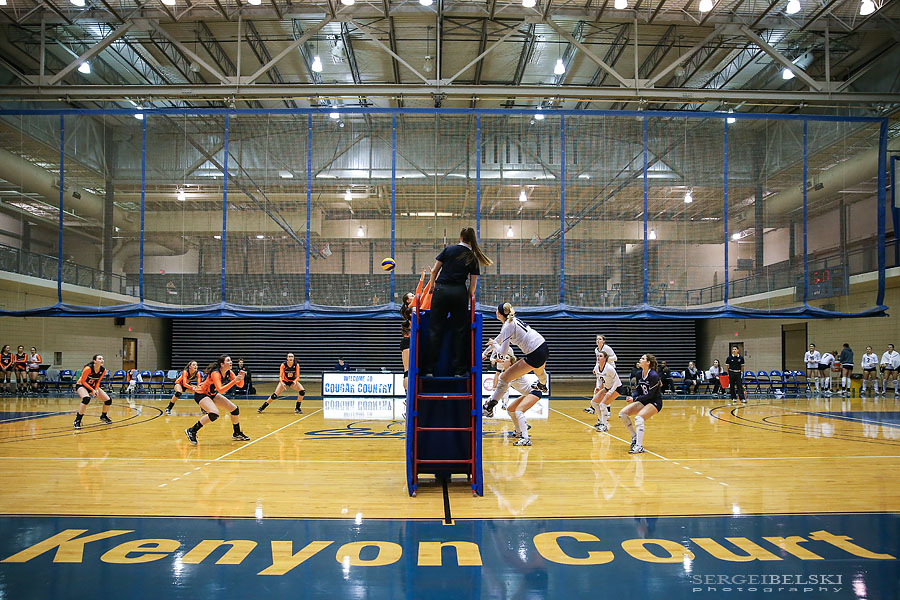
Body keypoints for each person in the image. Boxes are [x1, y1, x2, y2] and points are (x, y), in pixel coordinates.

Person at [422, 227, 492, 377]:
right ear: (472, 239)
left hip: (441, 290)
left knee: (435, 330)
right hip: (459, 292)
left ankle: (428, 370)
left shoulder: (448, 250)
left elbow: (434, 271)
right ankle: (459, 370)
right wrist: (467, 299)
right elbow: (472, 287)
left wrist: (432, 286)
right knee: (460, 332)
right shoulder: (473, 257)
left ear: (460, 237)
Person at [482, 302, 549, 418]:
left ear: (499, 314)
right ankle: (542, 384)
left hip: (535, 352)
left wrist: (494, 344)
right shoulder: (512, 320)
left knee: (503, 378)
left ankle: (489, 408)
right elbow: (499, 338)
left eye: (497, 310)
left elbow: (502, 352)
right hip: (543, 346)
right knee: (540, 372)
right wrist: (485, 352)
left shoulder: (507, 326)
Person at [185, 355, 249, 445]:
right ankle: (192, 430)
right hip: (201, 394)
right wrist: (235, 381)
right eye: (228, 360)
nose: (231, 362)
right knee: (214, 413)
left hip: (212, 394)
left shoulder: (229, 372)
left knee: (234, 409)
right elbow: (221, 390)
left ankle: (237, 433)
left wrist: (241, 378)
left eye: (231, 360)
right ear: (222, 364)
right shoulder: (215, 373)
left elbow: (240, 385)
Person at [489, 350, 540, 446]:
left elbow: (502, 390)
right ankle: (518, 431)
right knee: (511, 410)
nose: (503, 359)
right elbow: (498, 389)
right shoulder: (503, 374)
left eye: (506, 358)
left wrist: (491, 399)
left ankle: (525, 439)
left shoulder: (514, 372)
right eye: (503, 358)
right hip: (527, 394)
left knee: (518, 411)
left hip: (534, 392)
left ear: (511, 363)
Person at [618, 353, 662, 454]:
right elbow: (638, 390)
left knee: (639, 418)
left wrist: (635, 399)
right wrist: (632, 396)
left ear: (648, 362)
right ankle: (634, 436)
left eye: (642, 358)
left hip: (654, 402)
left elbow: (650, 395)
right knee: (622, 414)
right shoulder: (638, 374)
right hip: (643, 400)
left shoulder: (653, 375)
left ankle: (639, 446)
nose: (640, 360)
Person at [591, 350, 626, 433]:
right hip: (607, 387)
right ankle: (600, 421)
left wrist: (610, 392)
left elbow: (617, 381)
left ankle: (604, 425)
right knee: (594, 403)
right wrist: (598, 387)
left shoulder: (609, 368)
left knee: (603, 404)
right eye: (598, 356)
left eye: (600, 356)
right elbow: (599, 379)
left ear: (605, 358)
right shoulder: (596, 367)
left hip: (617, 388)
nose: (598, 358)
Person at [73, 354, 111, 429]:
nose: (102, 360)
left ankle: (103, 416)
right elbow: (83, 381)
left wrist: (96, 390)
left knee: (108, 400)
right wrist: (93, 390)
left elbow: (98, 381)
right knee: (86, 399)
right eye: (99, 359)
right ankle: (77, 420)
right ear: (94, 361)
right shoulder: (88, 368)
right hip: (81, 385)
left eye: (102, 359)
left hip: (92, 386)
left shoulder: (103, 370)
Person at [584, 334, 617, 414]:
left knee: (606, 390)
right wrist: (595, 368)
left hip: (609, 370)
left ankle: (608, 410)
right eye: (597, 339)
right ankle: (593, 407)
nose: (598, 340)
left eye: (600, 339)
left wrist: (605, 359)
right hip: (601, 369)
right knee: (598, 388)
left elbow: (615, 358)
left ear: (603, 341)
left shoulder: (607, 348)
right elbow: (598, 360)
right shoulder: (596, 350)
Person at [399, 291, 413, 391]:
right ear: (407, 300)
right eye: (412, 296)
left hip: (412, 341)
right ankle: (407, 393)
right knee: (407, 370)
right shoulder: (409, 311)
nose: (414, 296)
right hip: (407, 341)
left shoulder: (413, 309)